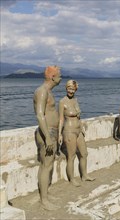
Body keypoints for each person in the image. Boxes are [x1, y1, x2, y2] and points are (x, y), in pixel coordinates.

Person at [33, 66, 62, 210]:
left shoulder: (48, 91)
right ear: (53, 77)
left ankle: (46, 194)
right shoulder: (42, 91)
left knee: (49, 164)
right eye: (59, 75)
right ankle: (44, 200)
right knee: (46, 166)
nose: (61, 78)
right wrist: (48, 138)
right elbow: (40, 115)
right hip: (47, 134)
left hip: (52, 132)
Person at [58, 80, 95, 187]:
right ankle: (72, 179)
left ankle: (84, 175)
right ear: (66, 88)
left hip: (78, 130)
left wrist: (82, 127)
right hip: (69, 131)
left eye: (73, 89)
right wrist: (59, 134)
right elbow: (60, 119)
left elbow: (78, 117)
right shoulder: (62, 102)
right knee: (72, 156)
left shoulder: (75, 100)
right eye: (69, 88)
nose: (71, 91)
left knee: (84, 153)